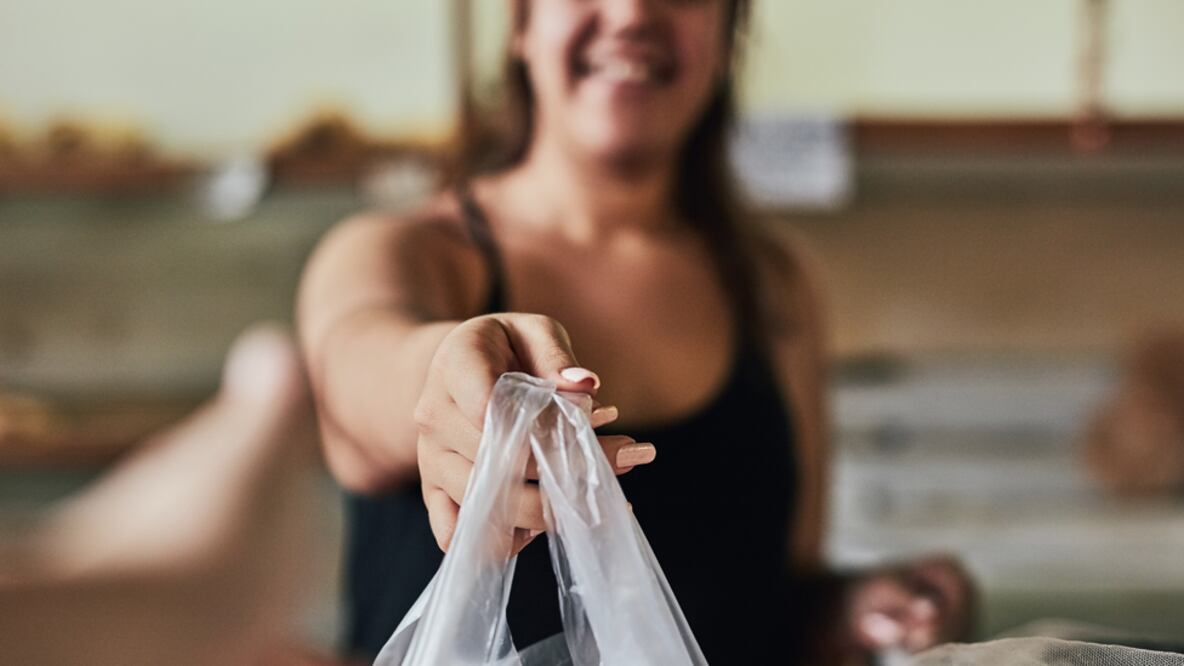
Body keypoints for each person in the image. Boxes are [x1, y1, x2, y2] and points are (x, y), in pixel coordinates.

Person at [298, 0, 972, 662]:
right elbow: (355, 377)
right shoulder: (402, 251)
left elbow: (780, 598)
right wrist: (447, 379)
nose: (629, 13)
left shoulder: (771, 285)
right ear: (521, 23)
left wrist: (862, 610)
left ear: (727, 32)